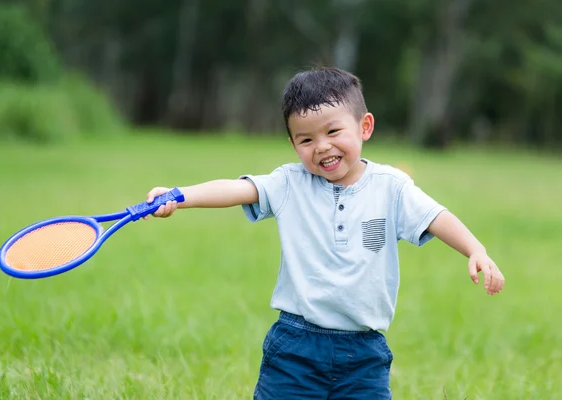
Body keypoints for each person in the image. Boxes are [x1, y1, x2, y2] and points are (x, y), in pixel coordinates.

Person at [145, 67, 505, 399]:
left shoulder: (391, 187)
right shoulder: (289, 182)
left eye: (333, 132)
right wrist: (179, 196)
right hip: (294, 348)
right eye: (306, 140)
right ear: (293, 145)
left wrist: (476, 249)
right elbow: (237, 189)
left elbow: (436, 216)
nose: (321, 147)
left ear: (364, 127)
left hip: (364, 353)